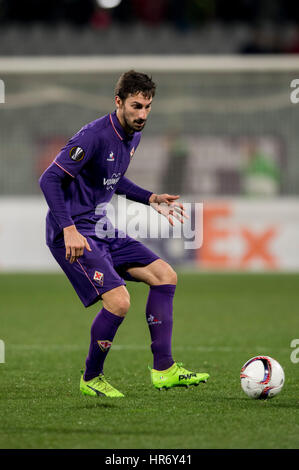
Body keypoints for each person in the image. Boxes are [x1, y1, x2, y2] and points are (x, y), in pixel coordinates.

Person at [39, 70, 209, 398]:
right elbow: (49, 180)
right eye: (136, 106)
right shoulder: (92, 136)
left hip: (99, 226)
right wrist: (69, 228)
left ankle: (164, 370)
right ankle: (91, 377)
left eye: (147, 107)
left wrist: (151, 198)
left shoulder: (133, 135)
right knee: (119, 302)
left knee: (165, 275)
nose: (142, 114)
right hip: (71, 232)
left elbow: (111, 179)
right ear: (118, 102)